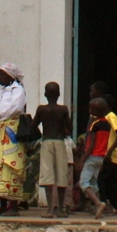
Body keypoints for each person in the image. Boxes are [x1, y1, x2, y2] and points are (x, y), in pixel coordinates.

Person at [0, 63, 32, 215]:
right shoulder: (0, 93)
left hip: (10, 133)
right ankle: (1, 205)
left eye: (2, 75)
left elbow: (15, 108)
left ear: (11, 76)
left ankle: (14, 206)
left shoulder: (18, 90)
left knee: (11, 167)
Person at [84, 83, 117, 214]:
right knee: (107, 181)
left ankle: (106, 205)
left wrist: (109, 152)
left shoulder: (110, 116)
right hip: (109, 153)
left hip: (114, 154)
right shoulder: (102, 119)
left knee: (102, 180)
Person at [33, 83, 72, 218]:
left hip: (47, 141)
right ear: (59, 94)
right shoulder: (63, 109)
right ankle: (60, 208)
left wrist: (40, 135)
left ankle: (50, 209)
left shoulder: (41, 109)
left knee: (47, 175)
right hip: (60, 142)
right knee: (62, 175)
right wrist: (62, 130)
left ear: (45, 94)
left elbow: (33, 126)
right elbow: (69, 128)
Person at [76, 98, 113, 219]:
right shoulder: (107, 124)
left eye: (91, 108)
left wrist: (82, 159)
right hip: (100, 157)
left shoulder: (94, 125)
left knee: (83, 182)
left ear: (94, 111)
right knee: (93, 182)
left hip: (92, 157)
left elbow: (91, 145)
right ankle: (100, 208)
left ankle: (98, 203)